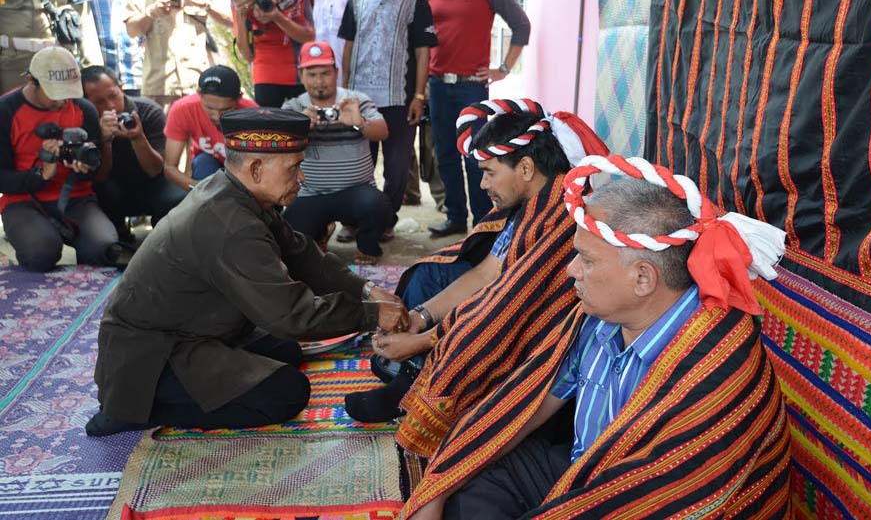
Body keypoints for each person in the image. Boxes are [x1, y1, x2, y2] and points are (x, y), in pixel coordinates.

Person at [403, 156, 791, 519]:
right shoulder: (597, 320)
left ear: (643, 278)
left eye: (586, 260)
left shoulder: (716, 367)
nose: (571, 270)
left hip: (645, 503)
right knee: (470, 482)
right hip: (582, 473)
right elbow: (525, 406)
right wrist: (442, 483)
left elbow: (670, 497)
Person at [86, 107, 410, 436]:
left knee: (286, 349)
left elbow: (303, 255)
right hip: (154, 355)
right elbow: (293, 316)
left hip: (190, 327)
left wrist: (366, 290)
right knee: (287, 392)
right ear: (255, 168)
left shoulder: (233, 190)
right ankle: (133, 409)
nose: (302, 178)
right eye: (295, 167)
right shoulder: (230, 225)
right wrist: (371, 315)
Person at [344, 100, 609, 429]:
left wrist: (421, 340)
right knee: (430, 275)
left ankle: (420, 387)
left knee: (483, 325)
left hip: (542, 349)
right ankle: (416, 369)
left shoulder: (558, 218)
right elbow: (487, 272)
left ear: (525, 169)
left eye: (489, 173)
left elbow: (505, 311)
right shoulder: (534, 202)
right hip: (508, 310)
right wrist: (418, 317)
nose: (483, 185)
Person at [424, 0, 531, 237]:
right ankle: (455, 217)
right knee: (444, 152)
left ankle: (483, 221)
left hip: (471, 87)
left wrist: (504, 68)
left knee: (474, 154)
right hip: (438, 84)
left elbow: (521, 25)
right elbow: (418, 38)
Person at [339, 0, 437, 240]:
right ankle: (354, 221)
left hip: (400, 98)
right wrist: (344, 95)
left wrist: (419, 96)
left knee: (396, 170)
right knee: (357, 166)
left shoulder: (415, 0)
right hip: (360, 99)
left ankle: (384, 221)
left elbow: (423, 53)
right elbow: (349, 47)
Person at [0, 47, 119, 271]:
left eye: (69, 93)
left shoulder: (83, 108)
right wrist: (42, 174)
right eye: (55, 94)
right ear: (31, 81)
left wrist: (86, 165)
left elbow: (96, 166)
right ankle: (27, 234)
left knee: (104, 248)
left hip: (76, 196)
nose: (63, 101)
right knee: (40, 252)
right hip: (22, 201)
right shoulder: (6, 110)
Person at [281, 41, 391, 265]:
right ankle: (321, 233)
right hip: (310, 193)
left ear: (336, 73)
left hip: (356, 192)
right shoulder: (293, 107)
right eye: (311, 74)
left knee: (378, 204)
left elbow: (383, 132)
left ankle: (367, 245)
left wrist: (360, 123)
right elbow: (279, 147)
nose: (319, 81)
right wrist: (299, 127)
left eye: (325, 73)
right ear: (301, 75)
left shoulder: (354, 100)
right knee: (289, 231)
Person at [82, 66, 185, 239]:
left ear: (121, 88)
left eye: (113, 96)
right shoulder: (86, 120)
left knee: (176, 196)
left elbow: (156, 170)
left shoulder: (149, 111)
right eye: (99, 102)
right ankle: (117, 232)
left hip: (150, 184)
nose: (110, 106)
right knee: (99, 191)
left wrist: (138, 138)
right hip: (111, 188)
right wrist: (105, 141)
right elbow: (99, 177)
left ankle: (162, 235)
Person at [230, 0, 315, 108]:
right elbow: (248, 56)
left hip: (300, 70)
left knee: (303, 125)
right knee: (268, 128)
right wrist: (242, 16)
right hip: (266, 73)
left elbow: (309, 37)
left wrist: (277, 17)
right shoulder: (241, 0)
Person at [402, 0, 445, 212]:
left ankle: (442, 199)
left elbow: (440, 40)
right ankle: (410, 193)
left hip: (433, 79)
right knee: (404, 143)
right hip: (402, 82)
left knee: (434, 143)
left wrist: (428, 80)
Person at [163, 65, 257, 190]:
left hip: (243, 171)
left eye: (225, 110)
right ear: (198, 95)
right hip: (206, 166)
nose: (217, 116)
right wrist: (198, 190)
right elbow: (170, 167)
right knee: (203, 163)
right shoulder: (182, 109)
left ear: (239, 98)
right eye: (209, 108)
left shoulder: (253, 115)